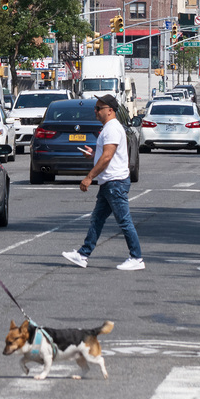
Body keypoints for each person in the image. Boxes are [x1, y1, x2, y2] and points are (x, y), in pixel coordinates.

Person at [62, 95, 144, 270]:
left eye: (99, 108)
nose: (96, 111)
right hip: (109, 182)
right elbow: (106, 154)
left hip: (115, 182)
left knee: (124, 221)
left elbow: (108, 156)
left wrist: (89, 177)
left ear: (110, 110)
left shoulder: (112, 128)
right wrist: (93, 154)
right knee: (97, 219)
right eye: (96, 108)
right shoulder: (108, 128)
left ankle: (136, 258)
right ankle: (83, 255)